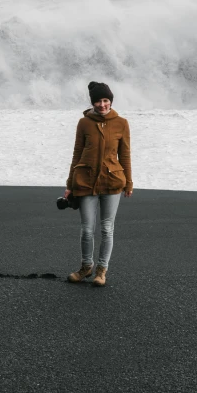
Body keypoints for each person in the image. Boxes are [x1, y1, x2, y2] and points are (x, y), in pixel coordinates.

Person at [64, 81, 133, 287]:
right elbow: (77, 153)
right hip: (85, 181)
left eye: (106, 100)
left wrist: (129, 182)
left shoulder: (121, 123)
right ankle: (86, 267)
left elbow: (125, 155)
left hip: (112, 181)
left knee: (106, 229)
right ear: (92, 102)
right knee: (86, 229)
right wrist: (69, 184)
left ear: (110, 101)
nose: (102, 104)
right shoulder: (83, 123)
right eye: (98, 101)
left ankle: (101, 271)